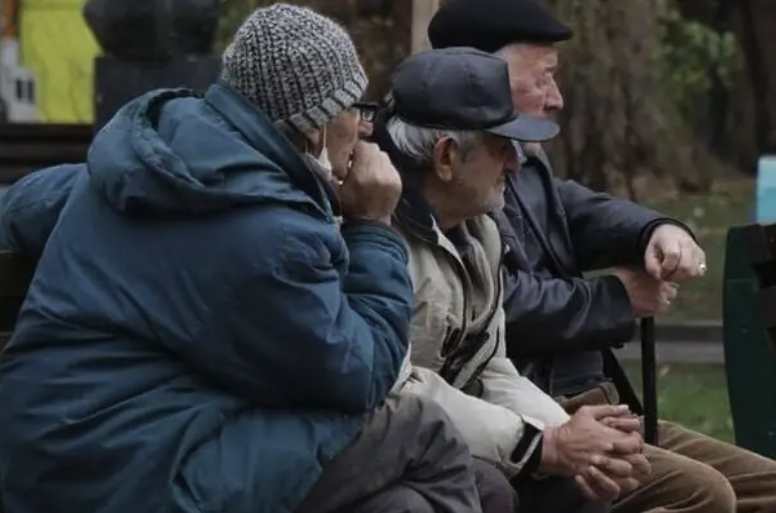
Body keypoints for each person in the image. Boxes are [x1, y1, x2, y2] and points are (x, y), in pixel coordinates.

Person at [0, 5, 485, 513]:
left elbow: (22, 206)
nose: (365, 128)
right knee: (424, 431)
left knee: (403, 505)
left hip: (61, 448)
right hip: (130, 472)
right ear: (313, 126)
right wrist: (373, 227)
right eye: (353, 108)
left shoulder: (150, 165)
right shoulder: (271, 234)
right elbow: (363, 376)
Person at [427, 1, 776, 512]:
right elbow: (494, 308)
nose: (557, 99)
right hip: (534, 418)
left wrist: (657, 230)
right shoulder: (442, 174)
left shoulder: (522, 163)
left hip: (598, 406)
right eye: (542, 78)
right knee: (704, 495)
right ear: (479, 79)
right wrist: (614, 299)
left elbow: (577, 209)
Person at [377, 46, 651, 513]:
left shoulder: (479, 228)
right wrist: (545, 444)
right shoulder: (376, 237)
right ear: (446, 157)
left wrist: (569, 437)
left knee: (580, 484)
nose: (516, 162)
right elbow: (399, 389)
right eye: (501, 146)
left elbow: (489, 366)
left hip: (445, 435)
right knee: (491, 490)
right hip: (381, 444)